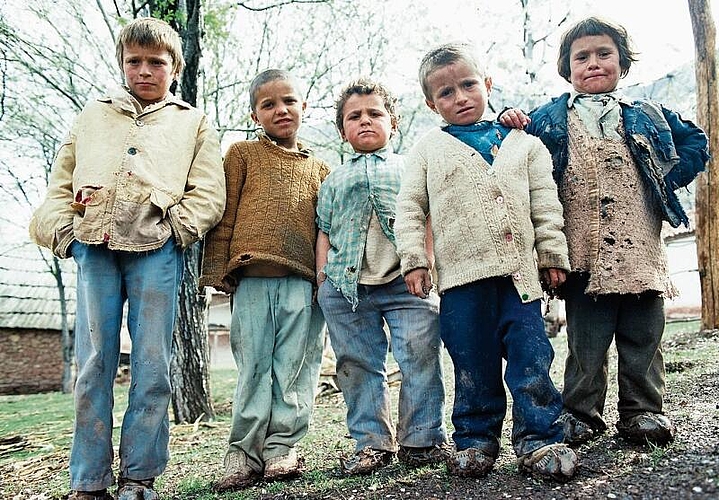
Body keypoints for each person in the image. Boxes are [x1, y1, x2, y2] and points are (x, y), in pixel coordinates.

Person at [28, 17, 225, 500]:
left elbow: (209, 193)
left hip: (156, 253)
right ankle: (88, 481)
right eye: (134, 61)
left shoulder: (192, 122)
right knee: (94, 361)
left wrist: (174, 230)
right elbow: (59, 185)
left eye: (156, 62)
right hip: (93, 247)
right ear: (121, 64)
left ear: (174, 68)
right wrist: (68, 235)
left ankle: (139, 476)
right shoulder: (92, 115)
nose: (144, 70)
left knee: (152, 362)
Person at [501, 17, 709, 446]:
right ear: (567, 67)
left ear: (622, 62)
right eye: (582, 57)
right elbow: (512, 148)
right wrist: (509, 119)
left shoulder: (648, 115)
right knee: (586, 345)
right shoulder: (548, 118)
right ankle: (581, 416)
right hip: (581, 254)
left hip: (641, 253)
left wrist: (663, 179)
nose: (593, 63)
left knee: (644, 339)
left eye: (604, 54)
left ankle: (643, 413)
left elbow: (696, 142)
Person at [394, 42, 578, 482]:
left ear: (487, 84)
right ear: (430, 103)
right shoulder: (426, 149)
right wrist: (415, 259)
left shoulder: (525, 144)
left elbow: (545, 205)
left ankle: (540, 439)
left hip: (520, 279)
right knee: (471, 364)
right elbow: (410, 209)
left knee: (531, 357)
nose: (460, 97)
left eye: (468, 85)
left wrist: (552, 254)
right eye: (445, 93)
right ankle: (475, 442)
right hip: (460, 282)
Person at [200, 69, 329, 491]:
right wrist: (217, 268)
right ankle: (243, 452)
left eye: (289, 101)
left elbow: (327, 230)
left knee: (295, 368)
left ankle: (282, 448)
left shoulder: (321, 170)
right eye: (269, 104)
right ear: (255, 114)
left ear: (304, 106)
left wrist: (325, 279)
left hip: (302, 284)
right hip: (252, 282)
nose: (281, 110)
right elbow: (224, 215)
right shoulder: (241, 155)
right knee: (253, 367)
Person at [315, 79, 449, 475]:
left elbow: (425, 216)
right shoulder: (334, 178)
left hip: (406, 281)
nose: (365, 121)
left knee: (419, 356)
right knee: (357, 365)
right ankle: (371, 443)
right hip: (346, 287)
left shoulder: (410, 166)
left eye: (375, 114)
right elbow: (324, 228)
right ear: (343, 131)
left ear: (394, 122)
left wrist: (424, 262)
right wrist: (324, 278)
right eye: (354, 117)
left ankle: (422, 439)